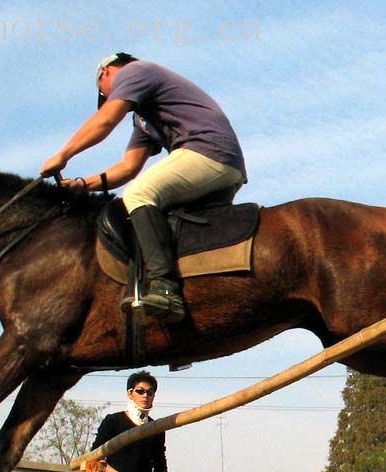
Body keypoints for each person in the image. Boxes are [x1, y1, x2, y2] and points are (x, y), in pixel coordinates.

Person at [40, 53, 247, 323]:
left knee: (139, 195)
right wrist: (81, 185)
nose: (108, 98)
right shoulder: (144, 118)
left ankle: (165, 288)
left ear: (106, 72)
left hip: (207, 152)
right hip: (223, 167)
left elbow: (105, 121)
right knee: (157, 214)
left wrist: (63, 155)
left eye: (104, 94)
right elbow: (128, 167)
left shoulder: (136, 71)